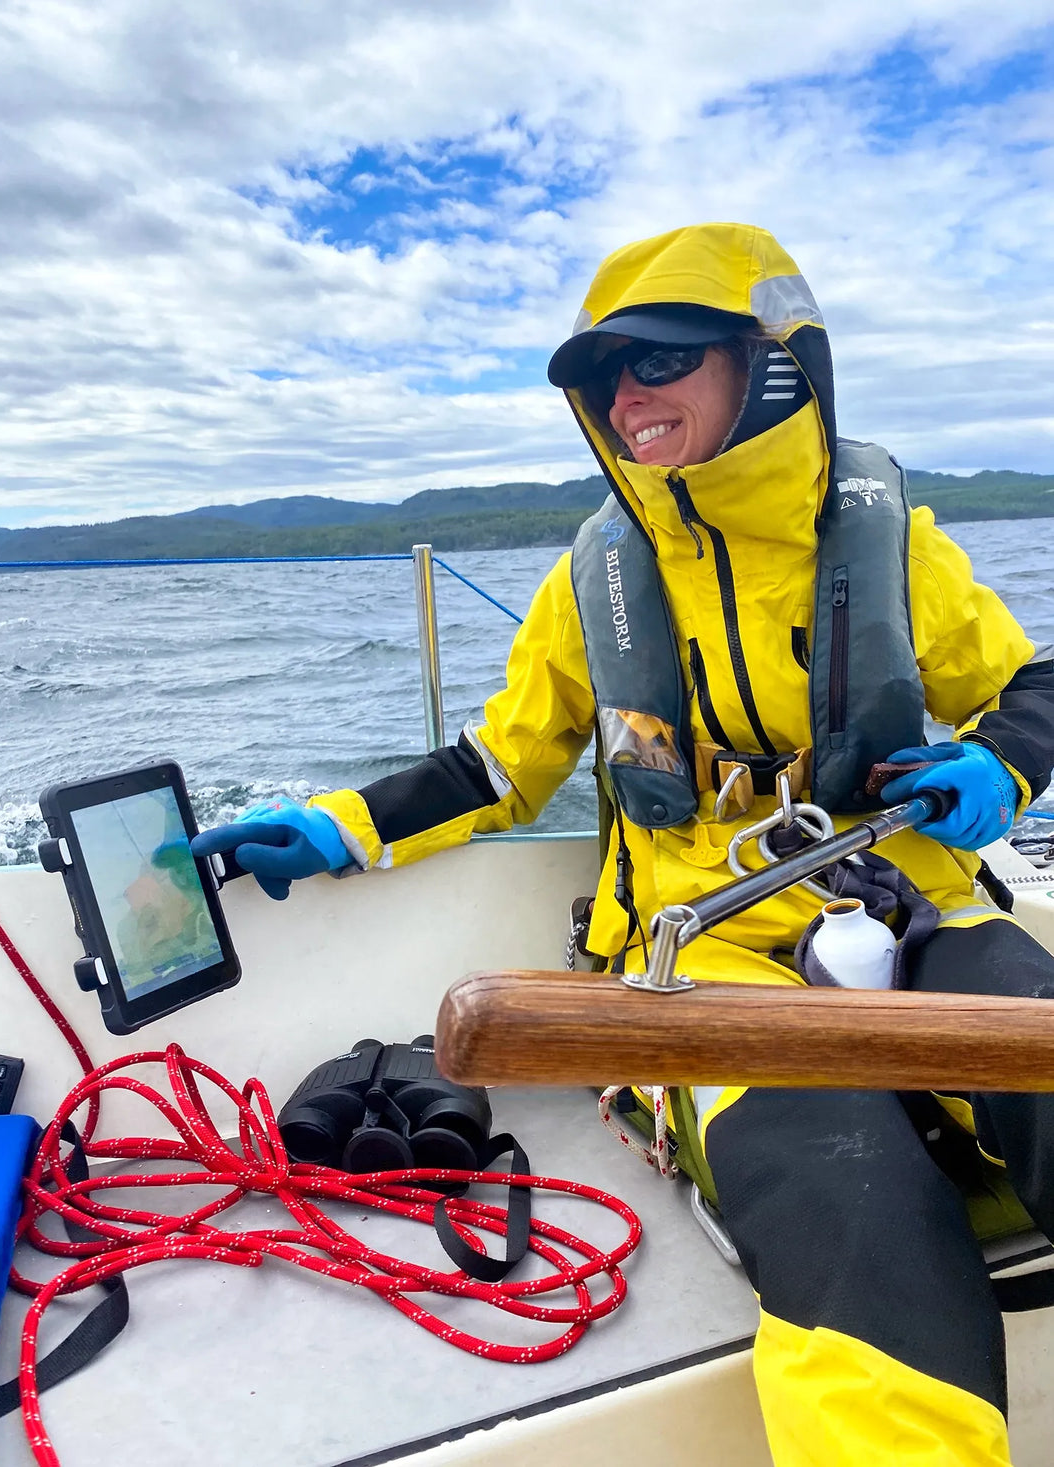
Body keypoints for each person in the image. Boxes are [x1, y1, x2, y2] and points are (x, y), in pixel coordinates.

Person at [193, 223, 1054, 1467]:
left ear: (764, 366)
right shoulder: (585, 581)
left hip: (904, 899)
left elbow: (1031, 682)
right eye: (601, 377)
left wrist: (1002, 761)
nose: (624, 395)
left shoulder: (889, 543)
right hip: (688, 956)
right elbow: (498, 768)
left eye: (659, 359)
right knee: (838, 1190)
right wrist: (334, 826)